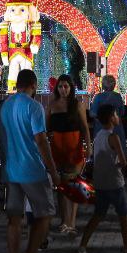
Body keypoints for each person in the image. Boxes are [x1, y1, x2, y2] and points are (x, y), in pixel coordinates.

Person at [0, 69, 59, 253]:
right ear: (33, 85)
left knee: (14, 219)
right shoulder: (34, 107)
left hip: (11, 169)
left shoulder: (5, 106)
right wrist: (53, 170)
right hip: (32, 169)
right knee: (45, 214)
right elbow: (41, 141)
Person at [75, 103, 127, 253]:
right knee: (124, 216)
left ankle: (82, 249)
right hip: (114, 182)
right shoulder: (113, 137)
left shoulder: (98, 135)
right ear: (110, 118)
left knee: (97, 215)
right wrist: (119, 165)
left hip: (100, 182)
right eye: (115, 114)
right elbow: (123, 161)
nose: (118, 117)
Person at [48, 74, 90, 235]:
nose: (63, 89)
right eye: (60, 86)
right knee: (61, 187)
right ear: (56, 88)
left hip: (74, 149)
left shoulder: (77, 105)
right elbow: (47, 127)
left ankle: (70, 223)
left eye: (66, 86)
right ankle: (64, 221)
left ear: (71, 88)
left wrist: (88, 146)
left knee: (73, 186)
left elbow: (85, 127)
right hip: (57, 150)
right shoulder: (52, 105)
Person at [89, 74, 127, 147]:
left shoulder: (98, 97)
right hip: (116, 128)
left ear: (103, 85)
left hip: (101, 128)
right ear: (114, 85)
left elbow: (92, 113)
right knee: (117, 151)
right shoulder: (118, 96)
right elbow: (122, 112)